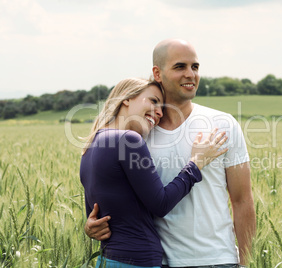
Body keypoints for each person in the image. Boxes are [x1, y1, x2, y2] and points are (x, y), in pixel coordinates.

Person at [85, 39, 256, 267]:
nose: (190, 74)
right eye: (180, 67)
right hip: (158, 262)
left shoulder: (223, 124)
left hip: (216, 259)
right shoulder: (141, 132)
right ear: (158, 72)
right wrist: (91, 225)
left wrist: (247, 262)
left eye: (195, 67)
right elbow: (114, 194)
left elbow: (242, 200)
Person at [80, 77, 229, 267]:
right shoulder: (129, 140)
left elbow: (94, 216)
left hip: (107, 259)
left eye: (162, 108)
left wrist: (89, 228)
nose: (159, 113)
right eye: (153, 101)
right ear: (126, 98)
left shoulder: (91, 145)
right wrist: (196, 163)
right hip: (138, 260)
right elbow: (161, 203)